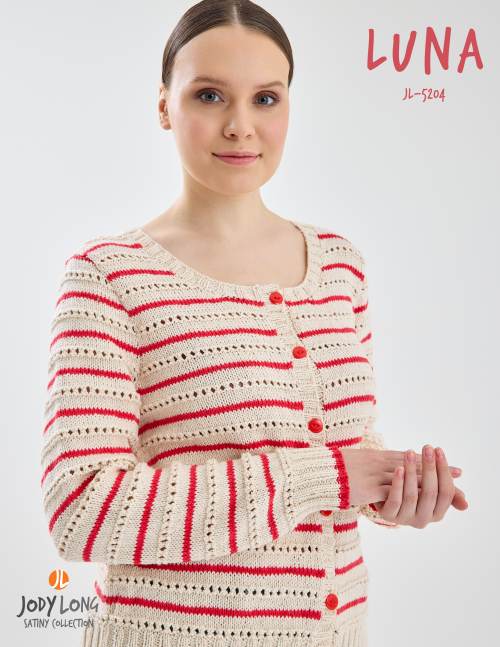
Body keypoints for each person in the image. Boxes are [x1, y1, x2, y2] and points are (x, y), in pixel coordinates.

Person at [40, 2, 468, 646]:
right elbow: (80, 511)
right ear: (164, 105)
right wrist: (328, 476)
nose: (241, 126)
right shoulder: (109, 276)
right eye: (210, 95)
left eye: (266, 98)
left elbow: (346, 453)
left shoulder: (340, 266)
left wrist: (392, 492)